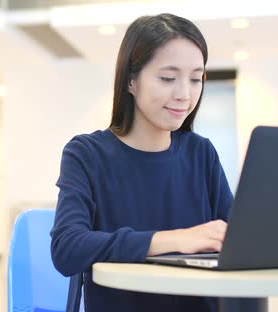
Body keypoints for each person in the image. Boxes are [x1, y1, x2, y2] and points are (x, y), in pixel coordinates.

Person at [50, 14, 232, 312]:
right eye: (168, 78)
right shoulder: (86, 154)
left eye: (196, 79)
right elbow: (67, 248)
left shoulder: (202, 153)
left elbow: (238, 243)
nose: (185, 95)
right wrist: (173, 240)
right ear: (131, 81)